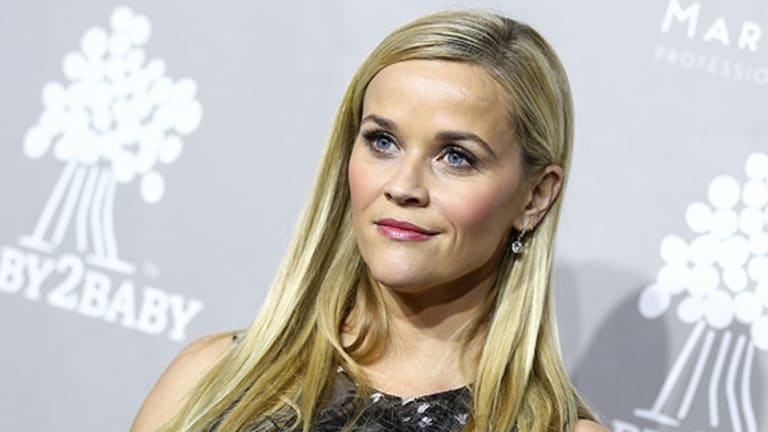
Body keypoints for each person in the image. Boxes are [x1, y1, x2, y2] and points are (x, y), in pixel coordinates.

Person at [132, 9, 607, 432]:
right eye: (383, 141)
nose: (403, 186)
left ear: (535, 196)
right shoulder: (209, 379)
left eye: (456, 156)